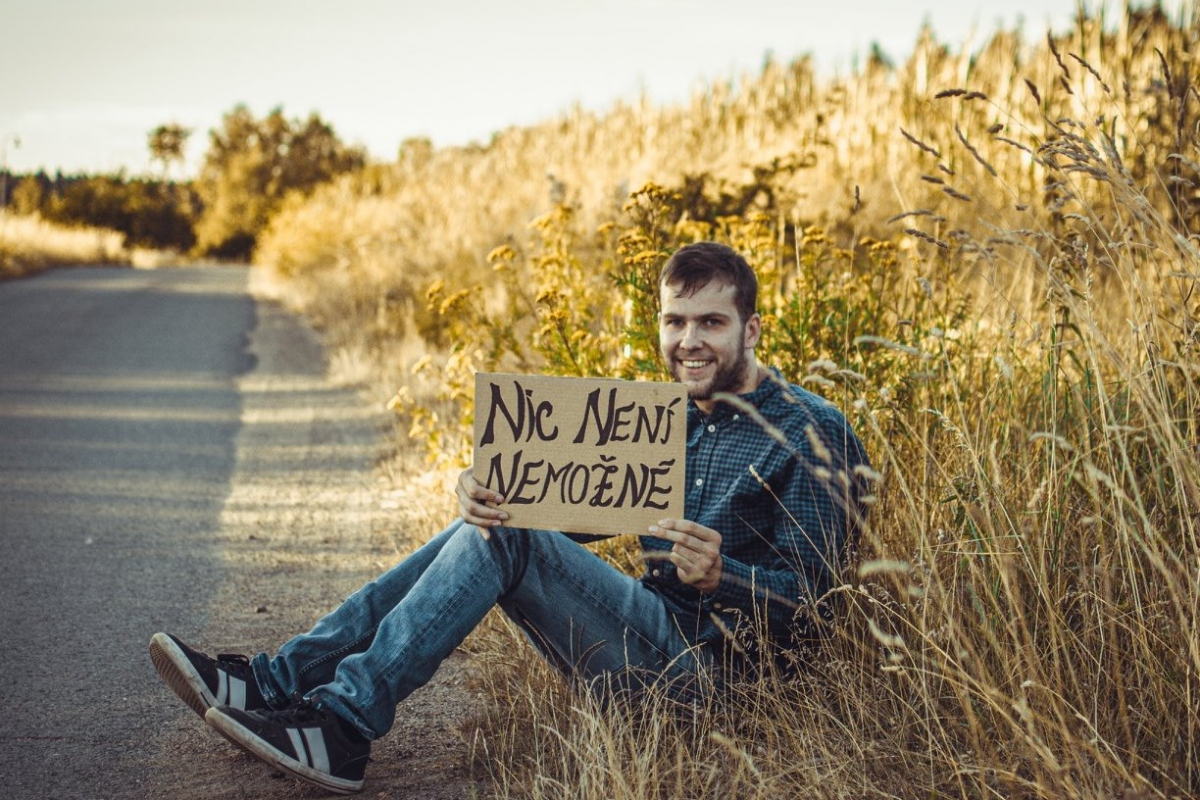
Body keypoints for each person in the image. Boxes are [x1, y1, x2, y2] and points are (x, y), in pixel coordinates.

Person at [149, 241, 871, 794]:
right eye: (675, 321)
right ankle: (281, 680)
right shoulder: (664, 419)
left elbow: (822, 606)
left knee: (513, 537)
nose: (689, 341)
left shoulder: (812, 433)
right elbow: (558, 516)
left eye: (711, 322)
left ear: (752, 330)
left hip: (714, 682)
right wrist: (491, 493)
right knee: (503, 525)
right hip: (637, 636)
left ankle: (341, 726)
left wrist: (724, 577)